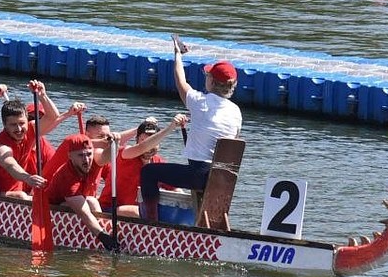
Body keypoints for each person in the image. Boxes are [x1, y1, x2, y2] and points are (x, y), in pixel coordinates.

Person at [138, 42, 243, 221]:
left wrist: (178, 54)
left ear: (211, 81)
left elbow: (180, 81)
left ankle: (151, 223)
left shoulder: (200, 102)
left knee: (148, 172)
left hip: (199, 174)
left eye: (208, 76)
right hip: (221, 178)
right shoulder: (236, 112)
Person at [0, 82, 60, 200]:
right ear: (4, 125)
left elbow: (53, 117)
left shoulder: (32, 129)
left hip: (13, 192)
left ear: (27, 120)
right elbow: (10, 165)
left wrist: (42, 95)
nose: (19, 129)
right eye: (13, 125)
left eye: (22, 123)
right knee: (22, 196)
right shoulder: (0, 146)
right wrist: (28, 178)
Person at [97, 116, 183, 217]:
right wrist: (170, 127)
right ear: (136, 140)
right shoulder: (125, 153)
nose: (149, 147)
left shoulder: (159, 162)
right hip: (110, 209)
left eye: (153, 142)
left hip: (140, 212)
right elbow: (143, 147)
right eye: (143, 140)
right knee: (138, 212)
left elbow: (175, 189)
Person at [45, 133, 117, 249]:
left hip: (75, 202)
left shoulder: (93, 161)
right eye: (80, 155)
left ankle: (110, 232)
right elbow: (84, 214)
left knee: (92, 201)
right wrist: (103, 237)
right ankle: (103, 236)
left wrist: (115, 143)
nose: (86, 160)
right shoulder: (66, 177)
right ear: (70, 156)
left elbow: (107, 156)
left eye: (89, 154)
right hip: (53, 209)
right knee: (89, 204)